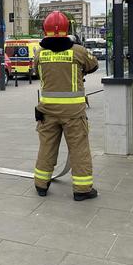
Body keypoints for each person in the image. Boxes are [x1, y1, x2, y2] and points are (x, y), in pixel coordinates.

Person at [33, 11, 99, 201]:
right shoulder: (77, 51)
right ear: (67, 29)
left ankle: (41, 184)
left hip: (47, 111)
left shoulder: (40, 53)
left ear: (45, 30)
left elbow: (36, 71)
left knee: (46, 147)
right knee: (79, 150)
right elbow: (93, 65)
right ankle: (82, 189)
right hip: (74, 113)